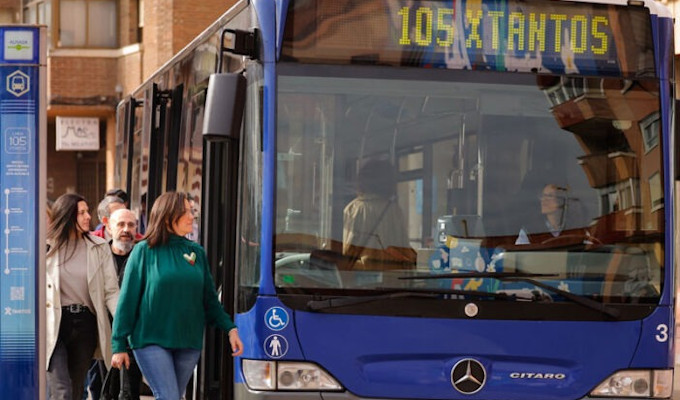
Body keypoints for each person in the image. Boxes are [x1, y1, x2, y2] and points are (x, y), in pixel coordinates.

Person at [111, 191, 243, 400]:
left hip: (188, 342)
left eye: (193, 212)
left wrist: (230, 328)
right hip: (150, 339)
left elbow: (209, 298)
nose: (192, 217)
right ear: (168, 216)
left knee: (172, 397)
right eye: (187, 212)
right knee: (169, 396)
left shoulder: (196, 252)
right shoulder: (143, 251)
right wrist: (118, 344)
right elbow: (127, 300)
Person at [46, 193, 120, 400]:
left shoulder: (99, 246)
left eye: (87, 211)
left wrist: (123, 321)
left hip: (85, 325)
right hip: (54, 325)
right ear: (67, 216)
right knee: (62, 391)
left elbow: (111, 291)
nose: (88, 216)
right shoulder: (46, 248)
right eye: (82, 213)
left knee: (77, 391)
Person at [100, 208, 144, 399]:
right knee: (102, 387)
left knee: (130, 389)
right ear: (108, 226)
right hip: (102, 333)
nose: (126, 229)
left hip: (133, 335)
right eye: (120, 224)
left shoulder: (143, 256)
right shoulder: (98, 256)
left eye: (131, 225)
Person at [343, 159, 415, 270]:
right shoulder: (395, 210)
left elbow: (349, 251)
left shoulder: (354, 209)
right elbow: (403, 247)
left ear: (362, 181)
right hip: (391, 278)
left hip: (361, 279)